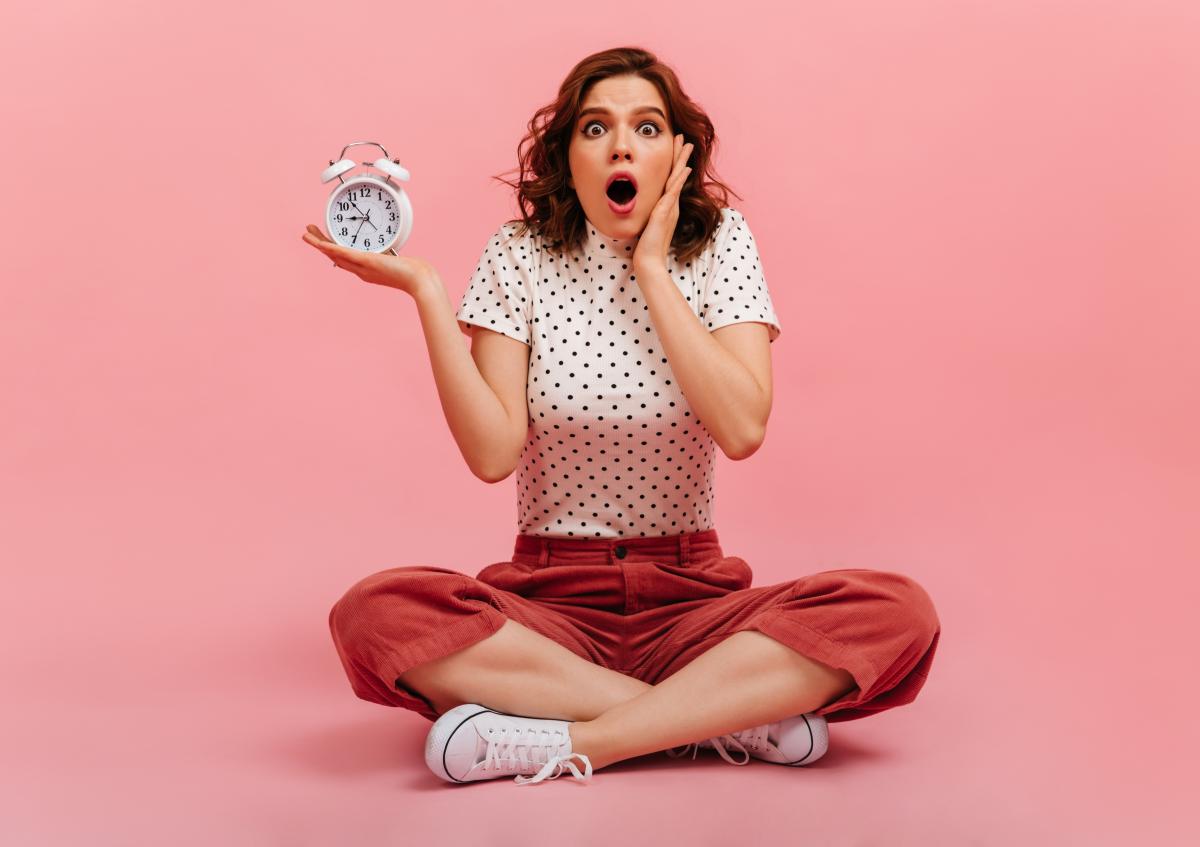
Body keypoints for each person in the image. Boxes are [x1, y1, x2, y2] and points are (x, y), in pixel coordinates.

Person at [302, 46, 940, 788]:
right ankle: (726, 722)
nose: (622, 145)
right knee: (375, 612)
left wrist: (652, 269)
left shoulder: (722, 246)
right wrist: (427, 291)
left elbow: (742, 429)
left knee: (896, 610)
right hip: (549, 612)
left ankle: (562, 738)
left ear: (677, 153)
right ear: (568, 155)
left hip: (694, 605)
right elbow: (491, 452)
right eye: (596, 128)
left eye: (646, 126)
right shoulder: (520, 255)